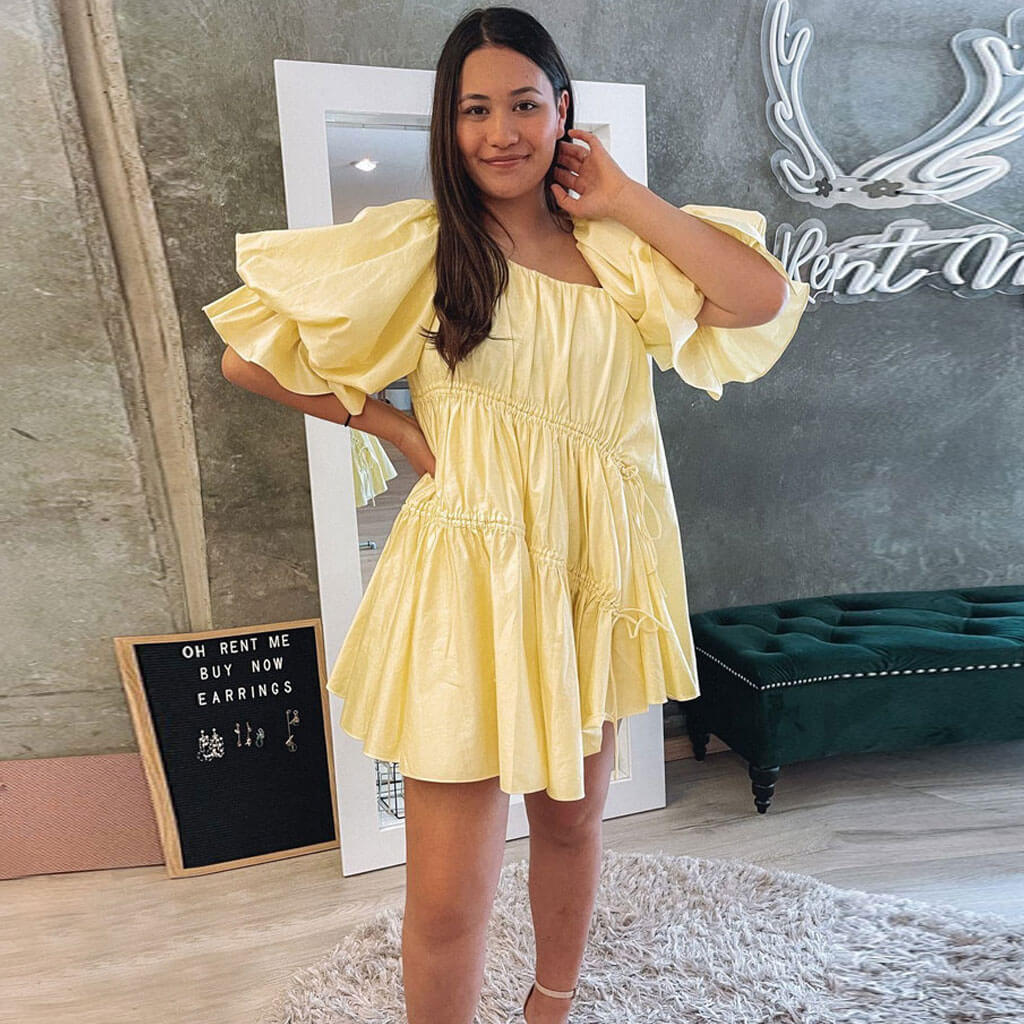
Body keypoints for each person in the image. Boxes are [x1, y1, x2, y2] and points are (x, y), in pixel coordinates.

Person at [202, 7, 809, 1022]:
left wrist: (622, 194)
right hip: (469, 585)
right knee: (447, 891)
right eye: (474, 109)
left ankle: (549, 1006)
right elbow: (244, 357)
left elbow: (755, 295)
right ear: (448, 126)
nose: (500, 131)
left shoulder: (621, 250)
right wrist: (390, 428)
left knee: (572, 824)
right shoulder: (422, 248)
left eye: (524, 104)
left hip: (588, 576)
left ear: (561, 111)